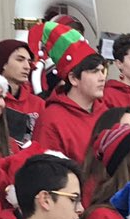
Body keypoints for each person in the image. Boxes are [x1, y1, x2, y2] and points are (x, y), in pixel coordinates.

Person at [32, 19, 109, 161]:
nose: (102, 77)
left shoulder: (105, 112)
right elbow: (47, 173)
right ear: (73, 78)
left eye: (102, 71)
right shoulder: (51, 120)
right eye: (94, 71)